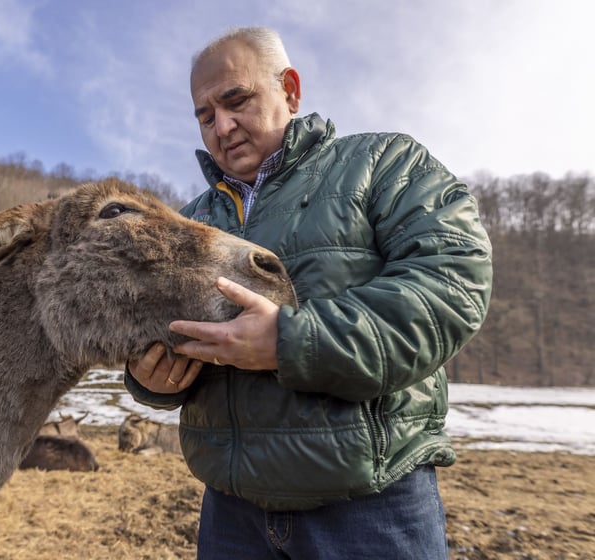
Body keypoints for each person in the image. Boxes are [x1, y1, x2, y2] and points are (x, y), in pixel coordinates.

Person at [125, 26, 492, 560]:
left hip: (371, 506)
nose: (221, 126)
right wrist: (148, 380)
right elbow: (150, 337)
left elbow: (453, 284)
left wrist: (291, 342)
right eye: (205, 116)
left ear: (290, 91)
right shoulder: (188, 221)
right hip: (230, 514)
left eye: (236, 100)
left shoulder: (383, 163)